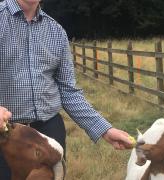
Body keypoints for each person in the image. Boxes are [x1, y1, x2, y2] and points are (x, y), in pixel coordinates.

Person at [0, 0, 133, 179]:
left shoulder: (56, 32)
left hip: (49, 133)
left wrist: (105, 130)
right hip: (6, 134)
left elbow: (68, 91)